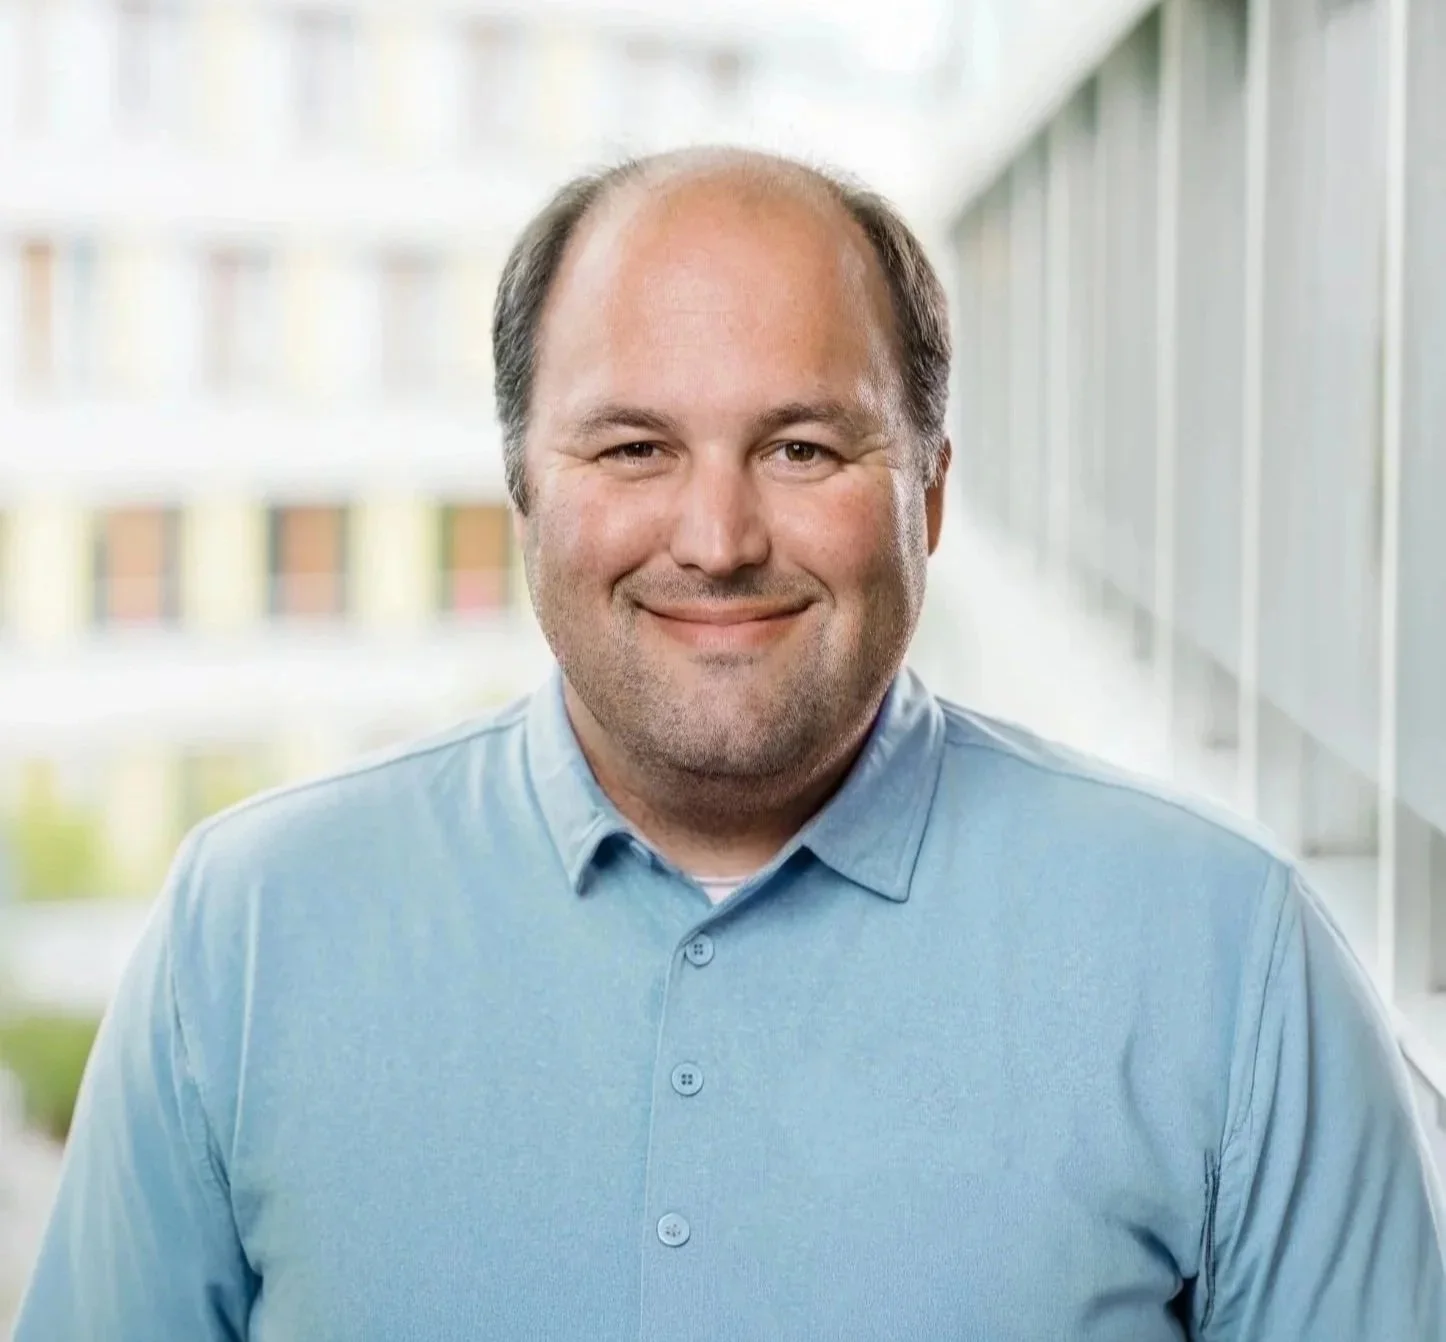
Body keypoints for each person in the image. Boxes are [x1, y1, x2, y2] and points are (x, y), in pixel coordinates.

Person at [14, 147, 1446, 1341]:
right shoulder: (246, 933)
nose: (715, 540)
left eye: (803, 448)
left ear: (930, 496)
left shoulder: (1228, 957)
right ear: (524, 489)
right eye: (633, 447)